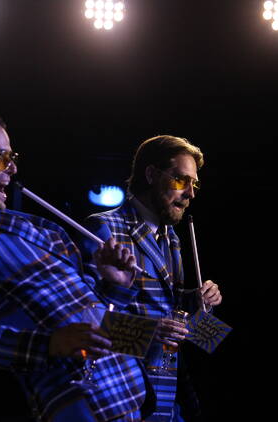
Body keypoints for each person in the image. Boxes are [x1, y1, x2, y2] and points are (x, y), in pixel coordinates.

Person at [0, 110, 154, 421]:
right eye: (0, 156)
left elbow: (89, 318)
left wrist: (115, 288)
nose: (12, 167)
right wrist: (49, 344)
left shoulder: (37, 230)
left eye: (12, 156)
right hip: (86, 405)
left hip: (135, 394)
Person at [80, 135, 223, 422]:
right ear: (151, 174)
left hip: (171, 399)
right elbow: (82, 324)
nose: (190, 194)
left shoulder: (171, 238)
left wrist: (205, 309)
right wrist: (148, 332)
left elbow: (189, 337)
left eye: (193, 184)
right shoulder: (104, 228)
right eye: (181, 180)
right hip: (125, 397)